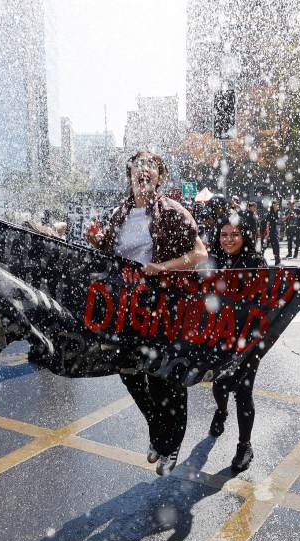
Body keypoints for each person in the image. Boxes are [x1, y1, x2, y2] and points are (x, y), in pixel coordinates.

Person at [86, 150, 208, 475]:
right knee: (129, 372)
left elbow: (199, 254)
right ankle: (159, 434)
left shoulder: (172, 211)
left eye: (150, 168)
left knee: (166, 377)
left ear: (159, 177)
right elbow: (110, 252)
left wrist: (163, 267)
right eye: (138, 167)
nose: (143, 172)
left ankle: (171, 442)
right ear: (129, 175)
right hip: (126, 310)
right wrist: (97, 241)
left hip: (164, 307)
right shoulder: (120, 213)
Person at [207, 213, 267, 472]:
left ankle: (245, 445)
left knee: (244, 391)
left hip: (248, 339)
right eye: (224, 234)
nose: (229, 239)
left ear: (245, 236)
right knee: (219, 386)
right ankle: (221, 412)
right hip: (218, 337)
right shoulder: (212, 260)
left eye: (235, 234)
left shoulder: (256, 262)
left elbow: (269, 297)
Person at [263, 200, 282, 265]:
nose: (278, 206)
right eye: (277, 204)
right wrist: (268, 234)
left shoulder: (276, 213)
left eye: (278, 204)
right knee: (272, 246)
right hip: (271, 232)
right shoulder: (270, 213)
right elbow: (267, 224)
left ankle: (277, 261)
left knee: (275, 246)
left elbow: (277, 223)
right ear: (273, 205)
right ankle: (259, 258)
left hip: (274, 232)